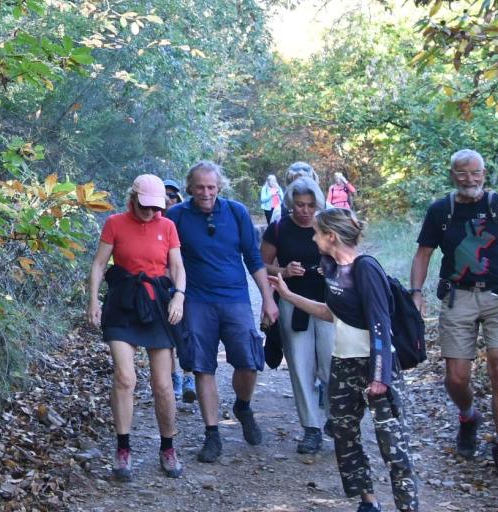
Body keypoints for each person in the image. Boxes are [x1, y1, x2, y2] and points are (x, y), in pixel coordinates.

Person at [410, 149, 498, 482]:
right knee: (456, 378)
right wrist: (416, 294)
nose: (470, 179)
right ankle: (468, 416)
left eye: (476, 173)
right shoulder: (441, 211)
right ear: (452, 174)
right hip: (458, 297)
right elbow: (423, 254)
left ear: (484, 174)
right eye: (463, 173)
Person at [272, 208, 419, 512]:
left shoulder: (366, 269)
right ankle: (368, 501)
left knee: (393, 445)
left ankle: (408, 506)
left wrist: (380, 376)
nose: (313, 238)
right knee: (344, 435)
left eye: (317, 233)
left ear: (331, 236)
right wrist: (287, 295)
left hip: (377, 366)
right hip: (343, 364)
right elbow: (331, 313)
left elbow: (380, 322)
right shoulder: (332, 268)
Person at [166, 161, 278, 463]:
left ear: (220, 187)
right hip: (196, 300)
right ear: (189, 187)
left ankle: (243, 406)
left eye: (211, 187)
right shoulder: (175, 216)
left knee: (249, 362)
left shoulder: (236, 212)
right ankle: (212, 434)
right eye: (200, 187)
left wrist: (268, 298)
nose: (205, 193)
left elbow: (253, 257)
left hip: (235, 298)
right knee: (203, 367)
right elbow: (167, 260)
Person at [87, 175, 188, 480]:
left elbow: (177, 267)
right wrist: (93, 300)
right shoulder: (115, 223)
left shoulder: (167, 226)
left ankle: (168, 447)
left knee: (162, 384)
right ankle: (123, 448)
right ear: (132, 198)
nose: (150, 212)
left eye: (155, 207)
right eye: (145, 206)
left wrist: (179, 297)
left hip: (157, 304)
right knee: (125, 377)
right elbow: (99, 264)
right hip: (123, 303)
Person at [261, 177, 335, 454]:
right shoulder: (279, 228)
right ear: (291, 204)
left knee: (331, 364)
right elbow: (262, 265)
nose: (304, 211)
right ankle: (311, 428)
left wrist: (331, 269)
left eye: (310, 206)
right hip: (293, 304)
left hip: (329, 304)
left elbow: (350, 258)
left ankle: (335, 419)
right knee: (301, 367)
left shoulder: (329, 225)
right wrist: (284, 272)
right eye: (299, 206)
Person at [164, 178, 197, 405]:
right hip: (160, 286)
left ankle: (188, 378)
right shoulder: (149, 223)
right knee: (167, 334)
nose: (168, 200)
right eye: (165, 195)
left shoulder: (184, 221)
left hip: (187, 286)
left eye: (173, 196)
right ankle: (174, 378)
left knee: (187, 331)